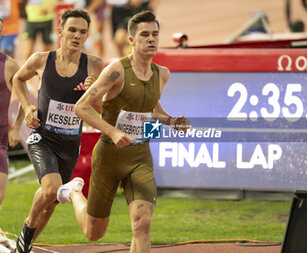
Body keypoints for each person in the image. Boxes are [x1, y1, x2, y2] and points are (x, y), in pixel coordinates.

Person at [57, 10, 189, 253]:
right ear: (131, 40)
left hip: (140, 158)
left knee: (143, 223)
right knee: (93, 232)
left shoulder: (162, 74)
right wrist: (114, 132)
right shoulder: (116, 70)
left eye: (155, 35)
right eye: (145, 35)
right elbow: (82, 107)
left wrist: (171, 121)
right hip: (108, 156)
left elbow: (151, 111)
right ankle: (73, 192)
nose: (151, 39)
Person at [11, 9, 104, 253]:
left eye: (83, 32)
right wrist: (27, 105)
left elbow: (102, 110)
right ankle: (28, 226)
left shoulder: (94, 65)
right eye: (72, 30)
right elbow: (18, 80)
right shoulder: (41, 59)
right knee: (52, 188)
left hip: (70, 143)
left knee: (51, 201)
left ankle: (23, 248)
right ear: (60, 30)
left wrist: (94, 92)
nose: (77, 36)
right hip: (42, 136)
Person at [0, 17, 23, 206]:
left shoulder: (9, 65)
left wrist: (16, 127)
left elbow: (26, 98)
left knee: (0, 195)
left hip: (0, 139)